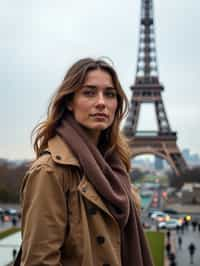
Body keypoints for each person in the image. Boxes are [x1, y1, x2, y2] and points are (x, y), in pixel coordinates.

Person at [19, 58, 153, 266]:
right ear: (69, 102)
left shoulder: (114, 167)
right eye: (89, 92)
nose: (101, 102)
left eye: (109, 94)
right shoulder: (50, 172)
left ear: (116, 103)